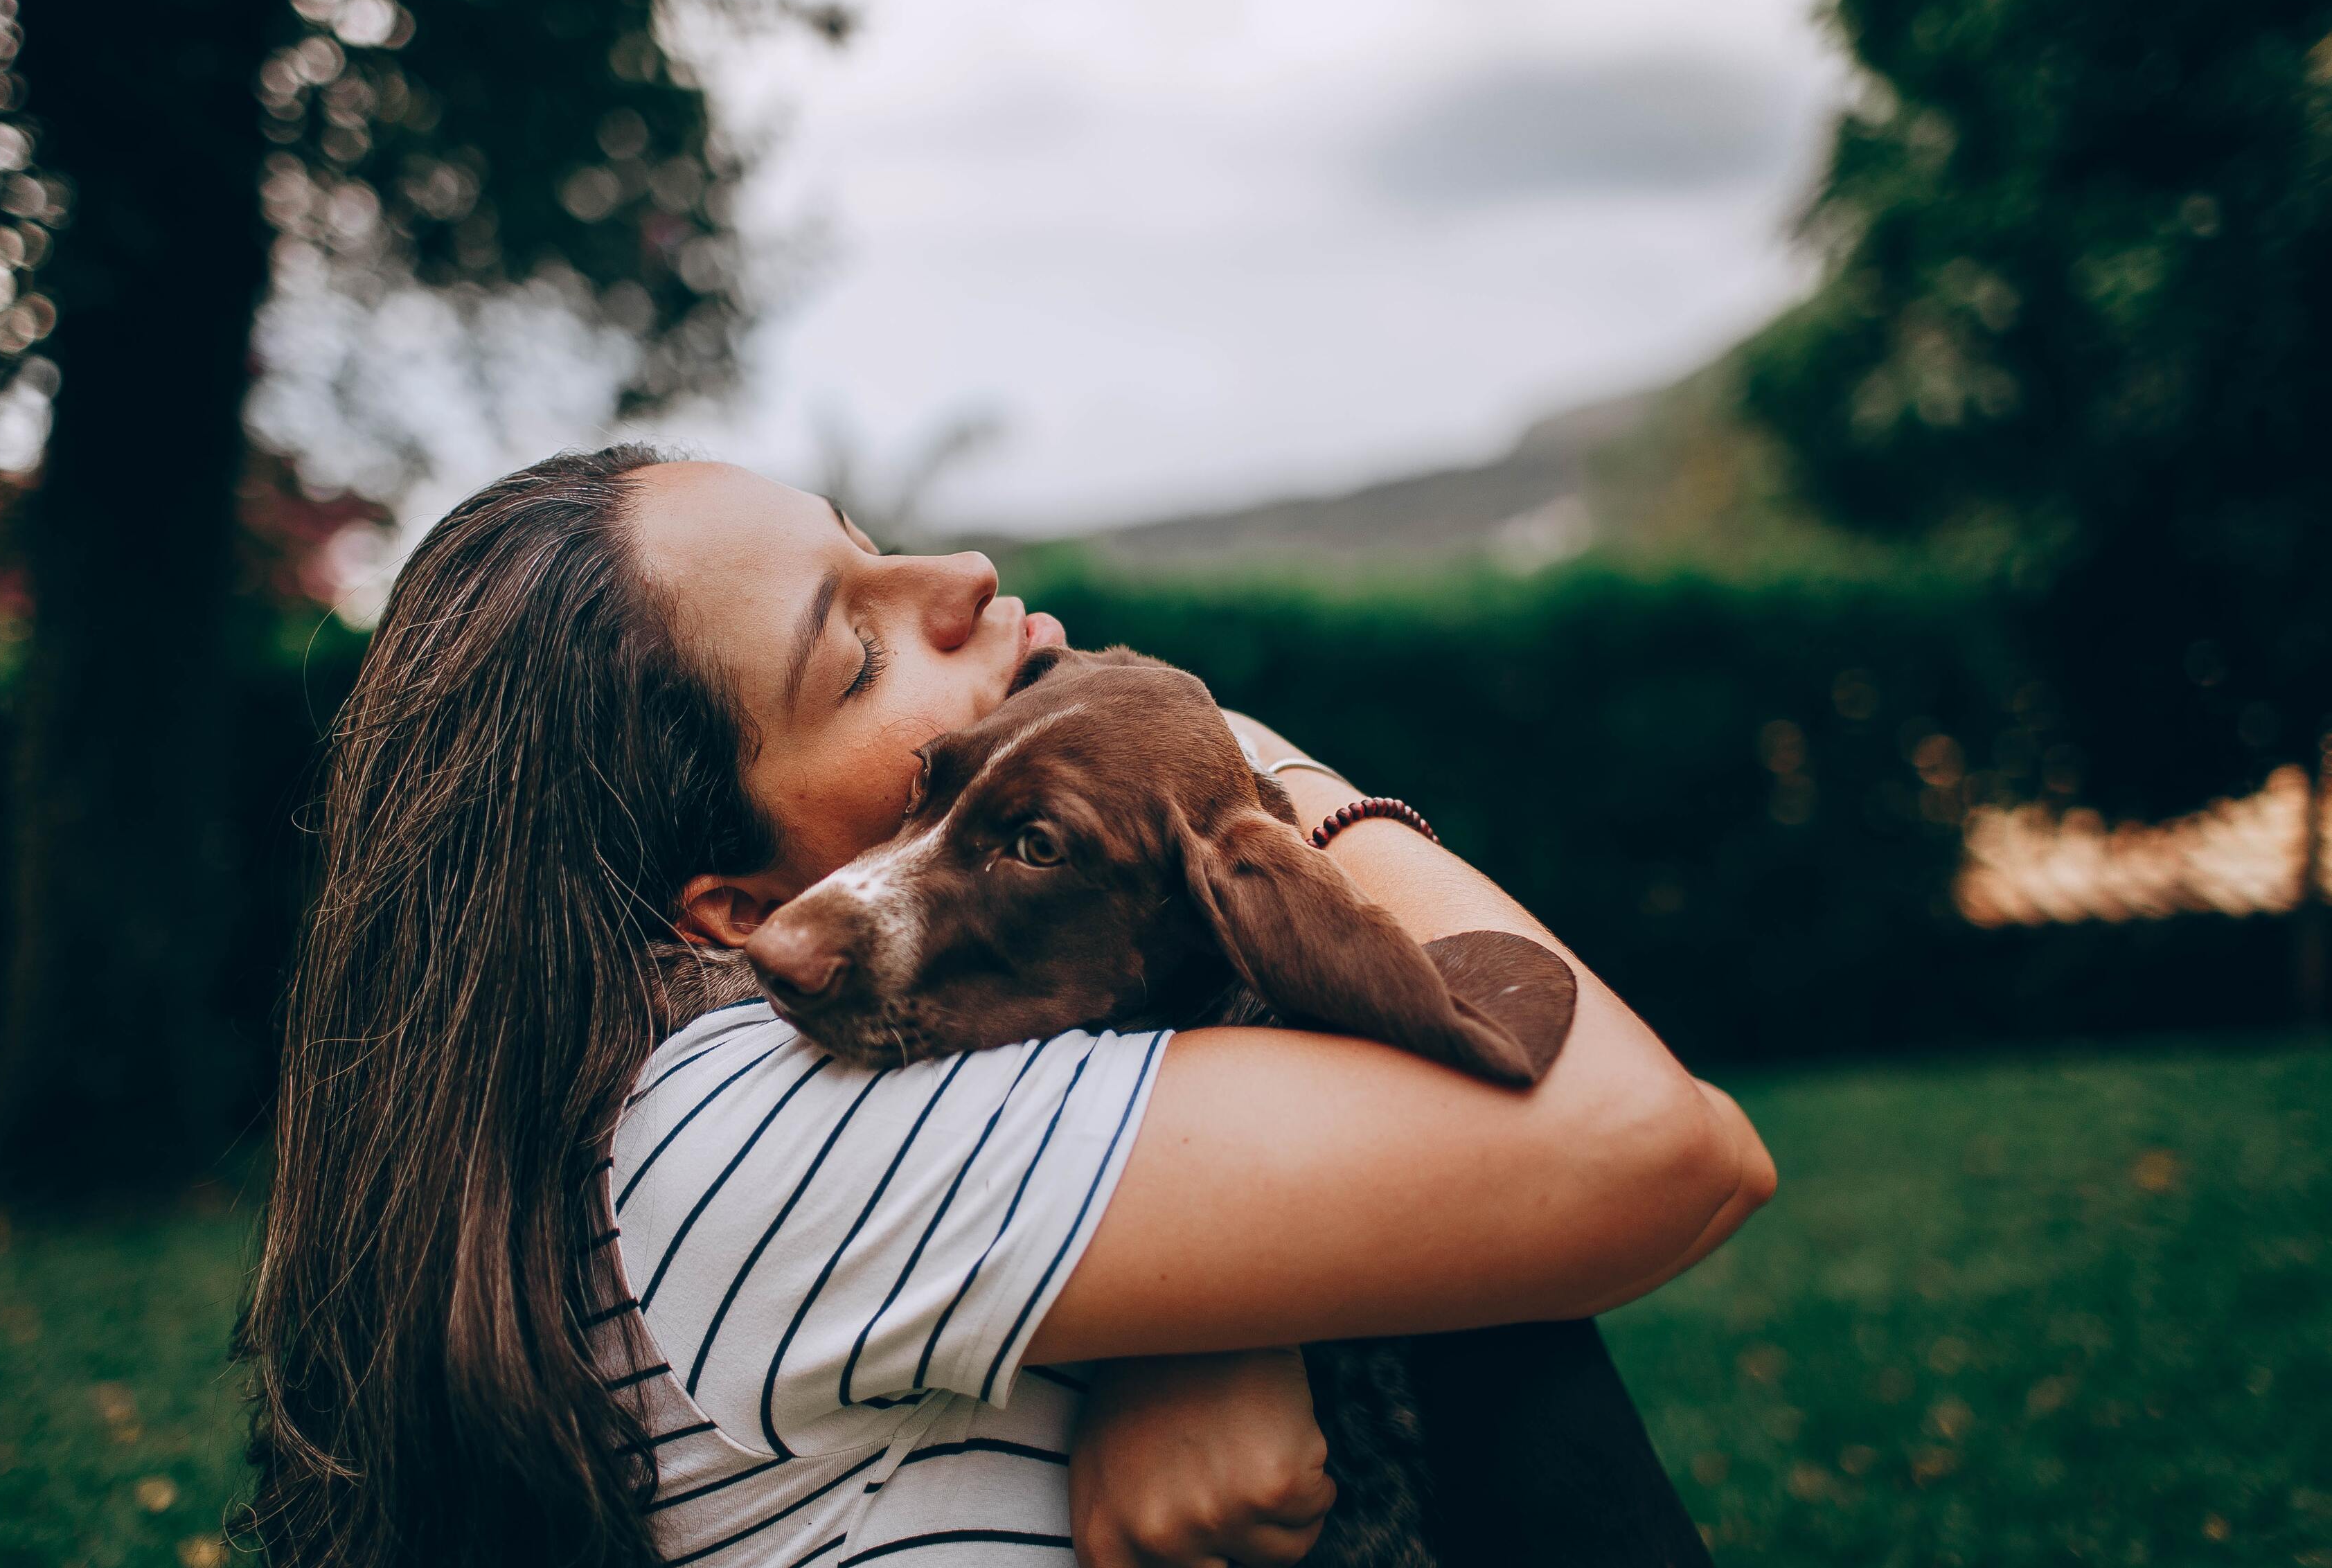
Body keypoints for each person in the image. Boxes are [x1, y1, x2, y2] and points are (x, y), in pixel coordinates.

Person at [236, 444, 1776, 1568]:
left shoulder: (916, 1063)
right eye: (857, 648)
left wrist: (1247, 1317)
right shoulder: (727, 1126)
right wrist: (1250, 769)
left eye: (870, 538)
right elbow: (1662, 1147)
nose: (962, 576)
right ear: (731, 917)